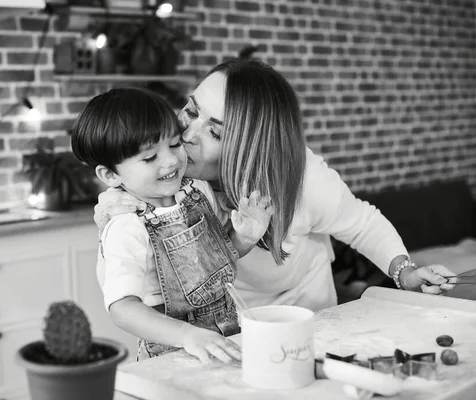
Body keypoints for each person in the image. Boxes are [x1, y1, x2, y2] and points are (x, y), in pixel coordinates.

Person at [93, 59, 457, 318]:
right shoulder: (169, 174)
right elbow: (133, 276)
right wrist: (110, 226)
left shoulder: (304, 178)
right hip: (223, 316)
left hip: (307, 310)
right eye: (190, 110)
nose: (186, 135)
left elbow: (363, 224)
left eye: (215, 131)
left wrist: (404, 272)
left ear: (251, 146)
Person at [70, 87, 273, 363]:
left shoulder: (199, 191)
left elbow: (214, 265)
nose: (170, 160)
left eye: (175, 144)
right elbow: (122, 308)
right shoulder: (126, 227)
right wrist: (187, 335)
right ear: (110, 174)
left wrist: (245, 237)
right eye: (150, 157)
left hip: (226, 339)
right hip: (172, 352)